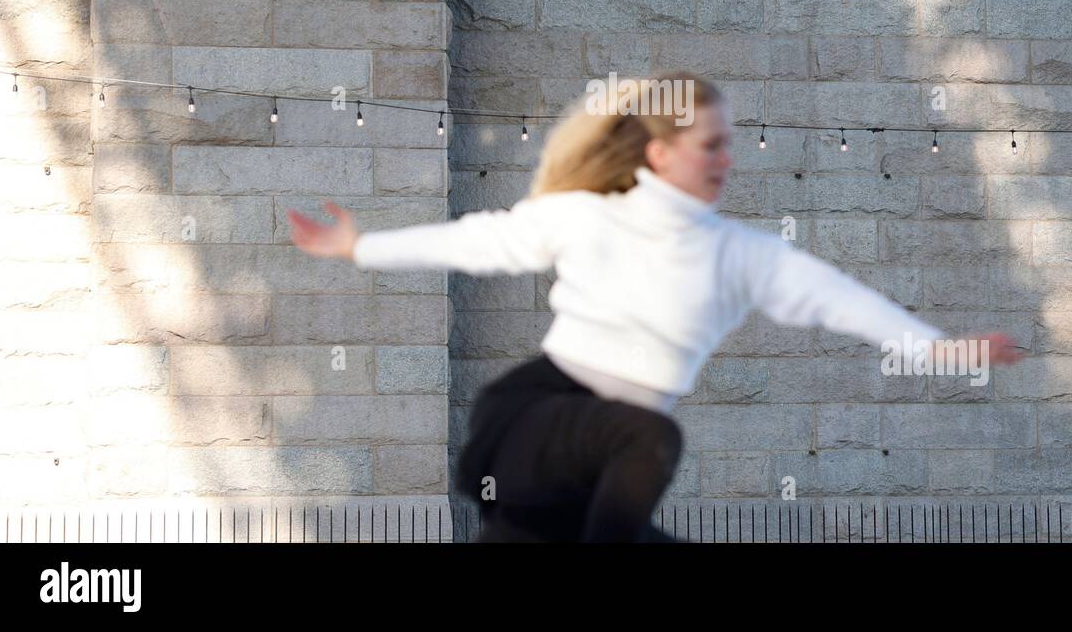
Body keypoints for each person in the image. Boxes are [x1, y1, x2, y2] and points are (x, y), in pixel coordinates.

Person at [288, 71, 1024, 542]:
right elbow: (481, 242)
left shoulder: (745, 255)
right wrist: (361, 247)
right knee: (651, 438)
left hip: (583, 479)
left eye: (731, 145)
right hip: (532, 422)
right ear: (659, 154)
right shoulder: (588, 216)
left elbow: (842, 301)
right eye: (711, 145)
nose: (728, 160)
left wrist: (938, 349)